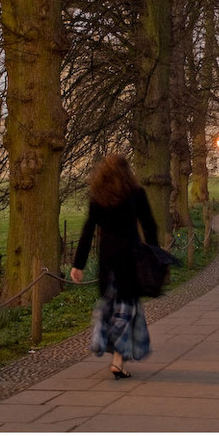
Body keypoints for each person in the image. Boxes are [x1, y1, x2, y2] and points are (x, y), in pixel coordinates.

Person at [70, 154, 157, 379]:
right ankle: (118, 359)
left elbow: (88, 230)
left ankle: (105, 343)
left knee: (111, 306)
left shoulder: (99, 197)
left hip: (107, 260)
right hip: (130, 258)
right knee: (126, 309)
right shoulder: (136, 194)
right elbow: (149, 227)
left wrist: (78, 264)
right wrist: (155, 255)